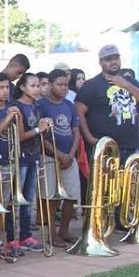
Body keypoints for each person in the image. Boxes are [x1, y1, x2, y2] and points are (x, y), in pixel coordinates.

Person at [75, 45, 139, 166]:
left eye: (116, 58)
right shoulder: (92, 84)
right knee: (105, 185)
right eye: (108, 59)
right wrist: (89, 138)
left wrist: (126, 84)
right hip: (105, 147)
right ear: (101, 63)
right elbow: (78, 112)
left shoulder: (130, 81)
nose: (113, 62)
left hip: (131, 145)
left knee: (130, 184)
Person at [38, 69, 81, 246]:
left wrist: (70, 154)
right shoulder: (41, 105)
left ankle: (64, 230)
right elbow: (40, 136)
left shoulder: (69, 105)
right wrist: (58, 154)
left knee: (71, 194)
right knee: (51, 197)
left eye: (65, 85)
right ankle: (52, 233)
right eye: (59, 84)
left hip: (69, 157)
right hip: (49, 157)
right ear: (50, 85)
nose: (63, 88)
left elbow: (76, 132)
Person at [0, 73, 23, 257]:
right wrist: (7, 120)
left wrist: (18, 117)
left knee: (3, 206)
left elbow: (20, 135)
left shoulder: (10, 108)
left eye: (8, 87)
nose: (5, 91)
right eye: (1, 87)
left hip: (9, 162)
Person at [12, 73, 50, 252]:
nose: (37, 89)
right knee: (15, 199)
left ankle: (25, 235)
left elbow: (40, 131)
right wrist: (37, 129)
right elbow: (19, 137)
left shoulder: (37, 106)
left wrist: (45, 127)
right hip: (20, 157)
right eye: (33, 86)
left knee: (28, 200)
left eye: (38, 86)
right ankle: (11, 237)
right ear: (22, 87)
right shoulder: (17, 106)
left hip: (34, 155)